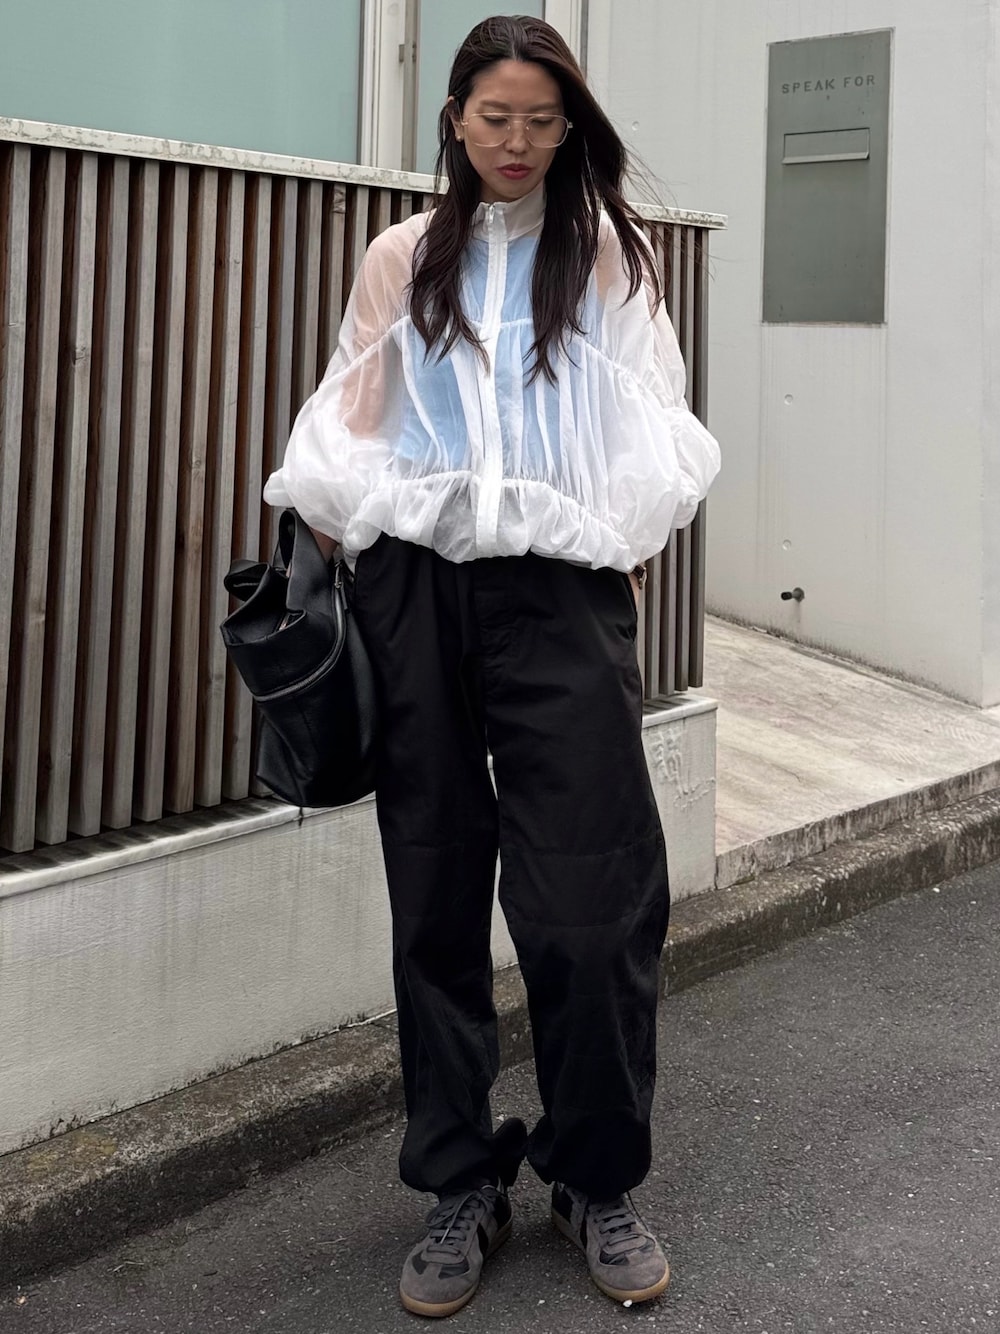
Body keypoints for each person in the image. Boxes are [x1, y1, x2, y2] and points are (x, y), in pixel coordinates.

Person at [264, 13, 720, 1319]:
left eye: (542, 121)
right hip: (415, 591)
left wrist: (617, 548)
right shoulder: (401, 256)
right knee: (437, 890)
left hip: (562, 595)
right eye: (496, 117)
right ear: (455, 118)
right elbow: (351, 420)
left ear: (570, 130)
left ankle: (594, 1174)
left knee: (593, 900)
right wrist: (331, 556)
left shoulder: (611, 254)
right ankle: (461, 1178)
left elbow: (651, 427)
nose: (517, 142)